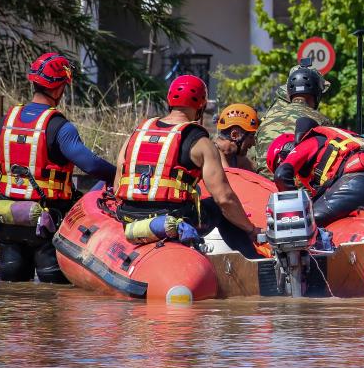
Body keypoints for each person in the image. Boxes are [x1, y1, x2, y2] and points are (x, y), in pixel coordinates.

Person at [0, 53, 116, 283]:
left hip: (8, 218)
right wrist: (118, 175)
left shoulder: (6, 120)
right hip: (48, 221)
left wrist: (1, 200)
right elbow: (90, 164)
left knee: (12, 294)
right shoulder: (59, 127)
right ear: (58, 89)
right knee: (55, 295)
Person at [113, 75, 263, 257]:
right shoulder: (200, 142)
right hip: (173, 220)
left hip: (129, 219)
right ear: (202, 106)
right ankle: (253, 260)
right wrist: (250, 229)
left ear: (169, 102)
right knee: (219, 208)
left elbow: (117, 186)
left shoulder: (137, 134)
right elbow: (224, 198)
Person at [268, 117, 364, 227]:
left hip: (359, 181)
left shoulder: (307, 143)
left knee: (305, 222)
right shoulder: (334, 140)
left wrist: (293, 212)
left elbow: (281, 175)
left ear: (285, 153)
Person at [249, 61, 332, 178]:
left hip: (265, 189)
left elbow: (256, 158)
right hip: (303, 193)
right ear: (317, 92)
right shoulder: (322, 121)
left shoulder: (267, 119)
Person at [214, 103, 259, 171]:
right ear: (235, 135)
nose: (253, 143)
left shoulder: (236, 158)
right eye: (251, 136)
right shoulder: (211, 156)